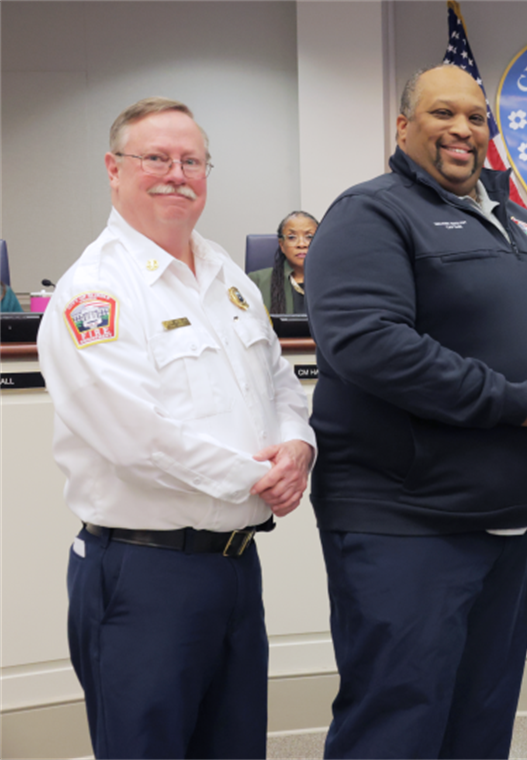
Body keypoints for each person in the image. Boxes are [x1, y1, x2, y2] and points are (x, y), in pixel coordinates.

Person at [305, 64, 527, 760]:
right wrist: (515, 402)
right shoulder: (370, 214)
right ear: (402, 127)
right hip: (407, 520)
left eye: (476, 117)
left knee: (478, 723)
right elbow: (370, 345)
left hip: (509, 519)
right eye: (443, 113)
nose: (463, 129)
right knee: (396, 724)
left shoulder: (525, 223)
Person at [37, 97, 317, 760]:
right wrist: (262, 478)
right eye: (156, 159)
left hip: (235, 568)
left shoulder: (226, 275)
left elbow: (279, 381)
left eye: (192, 161)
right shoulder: (95, 291)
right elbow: (134, 438)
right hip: (144, 574)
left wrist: (298, 446)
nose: (177, 175)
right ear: (114, 169)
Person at [249, 210, 318, 313]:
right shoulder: (257, 281)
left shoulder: (336, 281)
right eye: (292, 237)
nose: (301, 244)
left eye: (309, 237)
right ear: (282, 245)